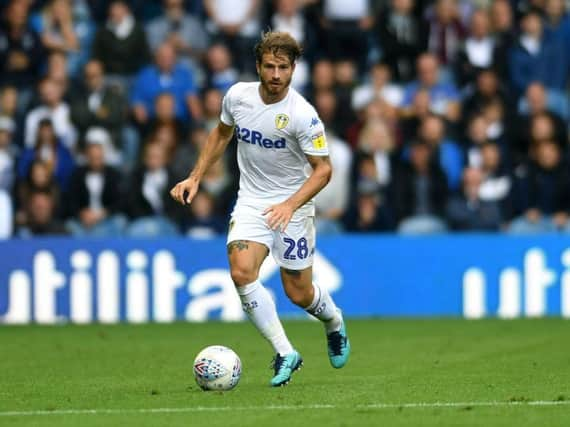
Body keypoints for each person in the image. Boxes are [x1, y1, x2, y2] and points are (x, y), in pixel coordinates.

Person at [170, 31, 350, 386]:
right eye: (269, 66)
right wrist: (195, 177)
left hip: (294, 205)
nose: (276, 75)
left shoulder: (303, 115)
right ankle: (286, 352)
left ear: (294, 69)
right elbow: (221, 134)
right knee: (241, 272)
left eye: (283, 67)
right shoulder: (238, 96)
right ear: (258, 66)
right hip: (252, 201)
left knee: (299, 293)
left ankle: (334, 322)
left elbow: (324, 169)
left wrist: (290, 204)